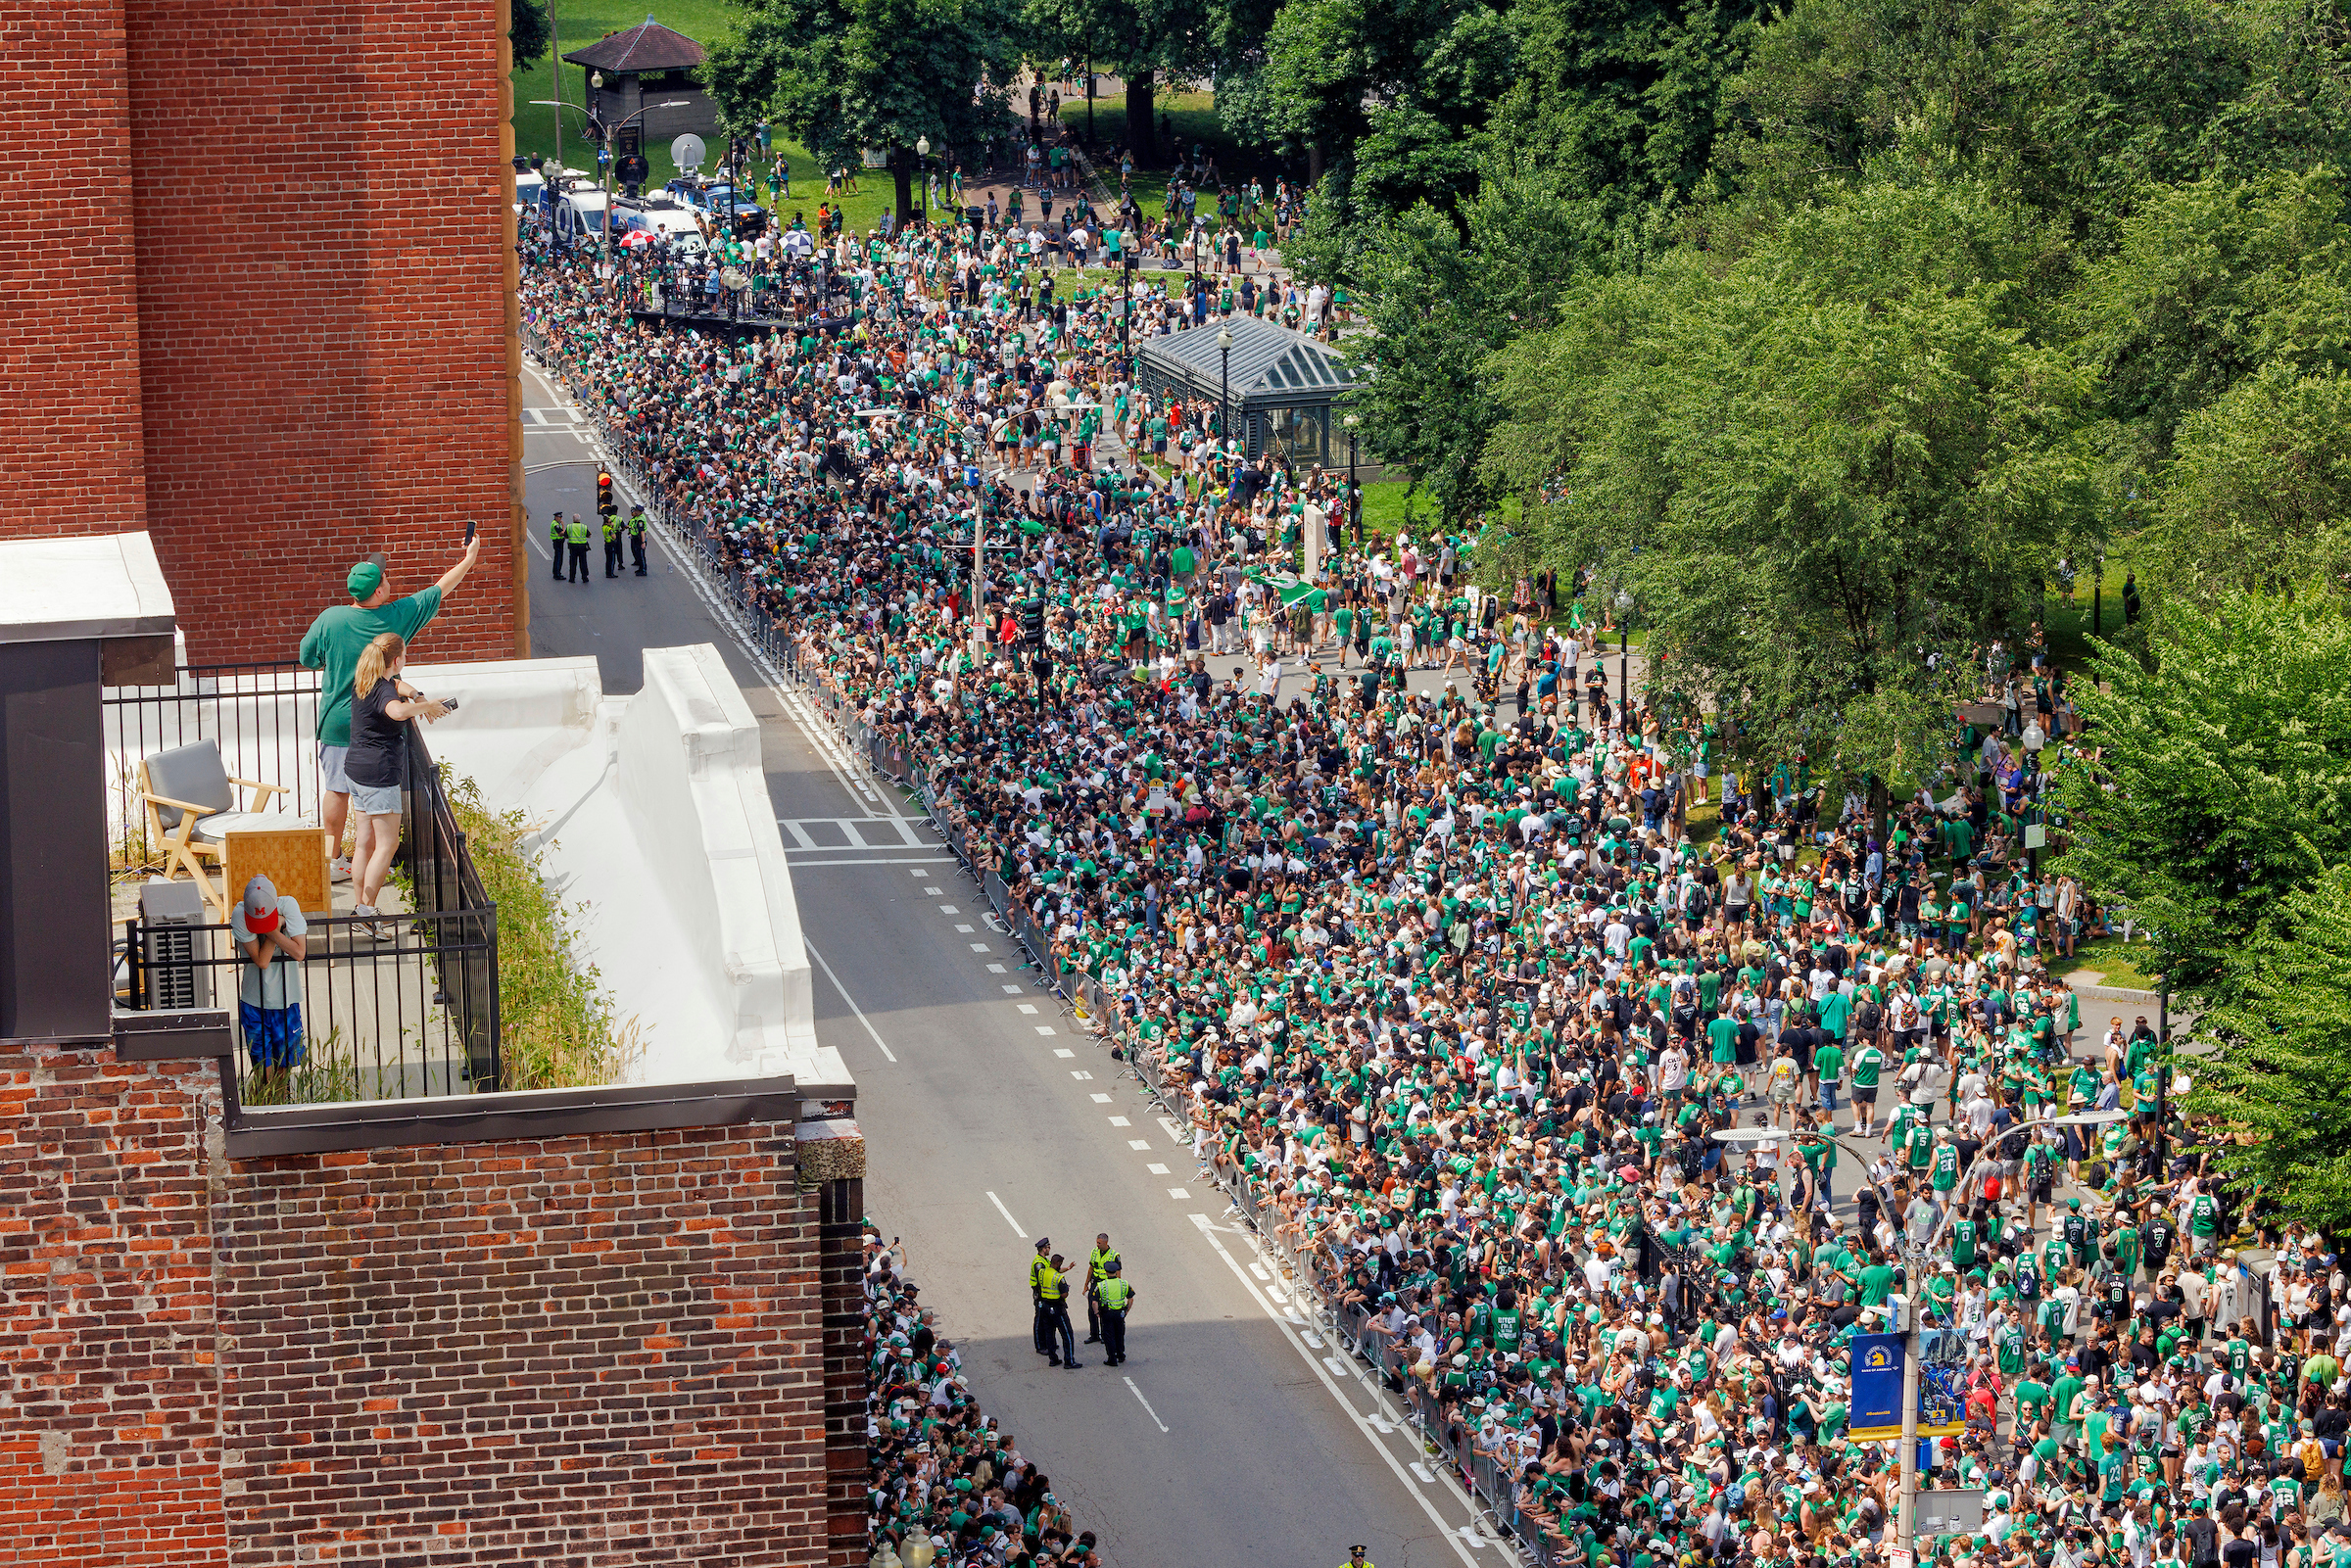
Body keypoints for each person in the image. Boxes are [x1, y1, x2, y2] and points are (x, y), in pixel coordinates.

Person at [297, 542, 478, 886]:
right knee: (375, 803)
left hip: (337, 721)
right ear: (379, 590)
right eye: (386, 577)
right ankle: (377, 863)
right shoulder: (395, 615)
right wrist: (469, 558)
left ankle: (333, 859)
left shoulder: (330, 619)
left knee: (337, 791)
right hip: (378, 725)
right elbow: (441, 588)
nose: (390, 579)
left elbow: (308, 658)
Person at [344, 632, 452, 935]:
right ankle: (365, 912)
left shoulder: (366, 679)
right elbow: (397, 710)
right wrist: (426, 706)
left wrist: (417, 694)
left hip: (356, 770)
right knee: (388, 843)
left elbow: (399, 686)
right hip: (379, 775)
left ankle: (361, 909)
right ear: (397, 660)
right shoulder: (383, 692)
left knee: (365, 842)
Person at [229, 874, 308, 1083]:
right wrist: (276, 930)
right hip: (254, 1002)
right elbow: (262, 961)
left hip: (287, 1000)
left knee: (283, 1074)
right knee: (264, 1077)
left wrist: (272, 931)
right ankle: (262, 1109)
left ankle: (279, 1111)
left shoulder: (289, 905)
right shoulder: (239, 915)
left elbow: (300, 953)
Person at [1093, 1257, 1133, 1365]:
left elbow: (1094, 1302)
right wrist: (1127, 1310)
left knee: (1108, 1335)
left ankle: (1112, 1358)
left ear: (1106, 1272)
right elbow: (1130, 1298)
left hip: (1107, 1313)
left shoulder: (1101, 1285)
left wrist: (1097, 1312)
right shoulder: (1124, 1283)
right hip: (1120, 1313)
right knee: (1119, 1333)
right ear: (1116, 1272)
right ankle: (1120, 1355)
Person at [1084, 1231, 1120, 1344]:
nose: (1097, 1245)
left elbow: (1118, 1274)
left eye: (1099, 1243)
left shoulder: (1114, 1255)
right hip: (1095, 1284)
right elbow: (1091, 1268)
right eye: (1097, 1242)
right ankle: (1094, 1334)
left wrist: (1116, 1288)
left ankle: (1105, 1335)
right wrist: (1086, 1284)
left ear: (1106, 1242)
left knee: (1104, 1310)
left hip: (1106, 1285)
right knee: (1092, 1309)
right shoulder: (1094, 1252)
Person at [565, 511, 592, 582]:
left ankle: (572, 578)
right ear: (579, 519)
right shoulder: (584, 526)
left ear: (573, 519)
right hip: (582, 546)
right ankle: (584, 577)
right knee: (583, 562)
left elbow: (566, 536)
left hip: (573, 546)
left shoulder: (569, 526)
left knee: (573, 563)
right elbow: (589, 535)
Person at [627, 504, 649, 576]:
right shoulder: (637, 517)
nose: (635, 512)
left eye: (636, 511)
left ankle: (643, 570)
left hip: (640, 539)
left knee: (641, 555)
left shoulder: (640, 520)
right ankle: (640, 568)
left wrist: (643, 542)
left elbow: (642, 531)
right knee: (638, 554)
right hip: (636, 538)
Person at [602, 510, 625, 578]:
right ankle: (611, 573)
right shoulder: (609, 529)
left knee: (608, 559)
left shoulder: (604, 527)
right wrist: (612, 527)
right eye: (610, 522)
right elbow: (614, 536)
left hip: (606, 543)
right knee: (612, 560)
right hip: (611, 544)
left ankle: (608, 572)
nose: (611, 523)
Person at [548, 510, 566, 581]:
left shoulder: (556, 523)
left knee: (558, 557)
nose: (560, 519)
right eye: (559, 517)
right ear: (555, 517)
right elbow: (562, 533)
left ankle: (556, 572)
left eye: (561, 517)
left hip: (558, 541)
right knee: (558, 558)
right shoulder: (556, 524)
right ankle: (557, 574)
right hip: (557, 542)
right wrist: (563, 526)